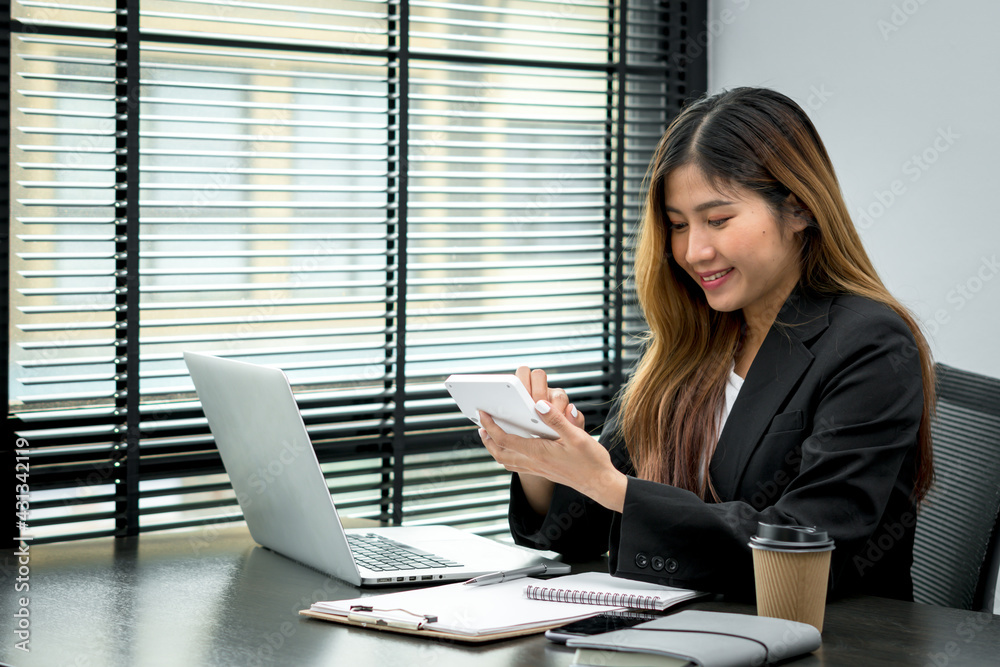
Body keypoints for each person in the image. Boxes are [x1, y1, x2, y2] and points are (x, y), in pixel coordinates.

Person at [477, 87, 935, 601]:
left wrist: (611, 486)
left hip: (826, 641)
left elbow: (809, 543)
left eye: (718, 220)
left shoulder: (869, 342)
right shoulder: (692, 340)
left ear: (800, 208)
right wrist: (544, 461)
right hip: (681, 627)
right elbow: (581, 538)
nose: (694, 251)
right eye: (677, 226)